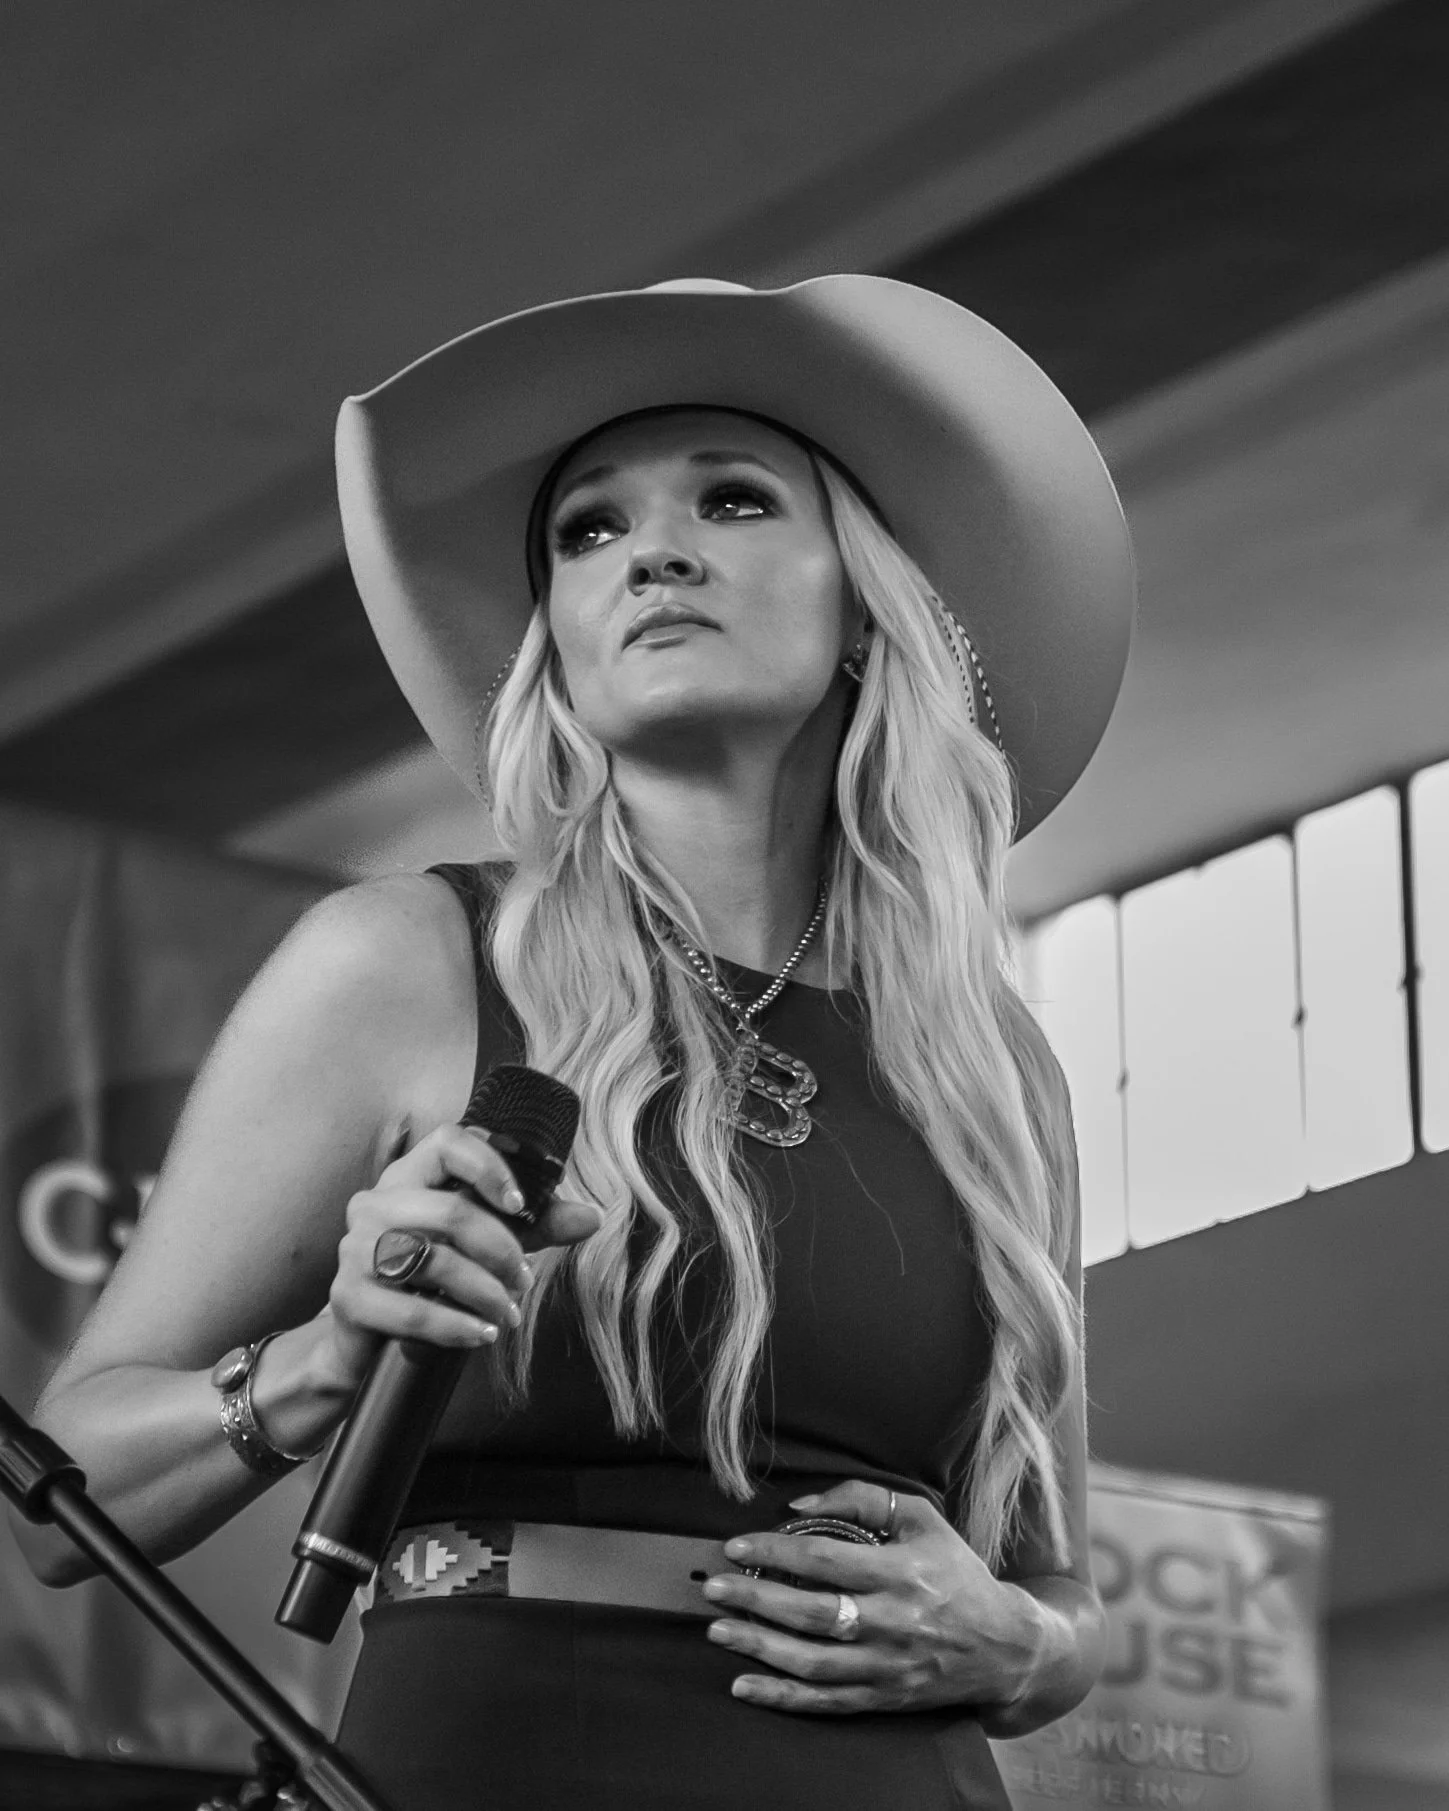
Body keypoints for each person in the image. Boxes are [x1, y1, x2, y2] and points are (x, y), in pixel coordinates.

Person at [18, 275, 1135, 1810]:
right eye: (587, 531)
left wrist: (1017, 1643)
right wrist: (326, 1359)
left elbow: (1060, 1588)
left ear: (864, 603)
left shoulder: (990, 1058)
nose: (654, 550)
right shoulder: (407, 958)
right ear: (556, 639)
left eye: (733, 500)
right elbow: (56, 1491)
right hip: (497, 1760)